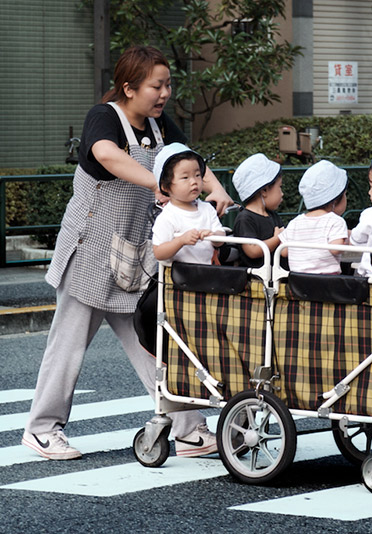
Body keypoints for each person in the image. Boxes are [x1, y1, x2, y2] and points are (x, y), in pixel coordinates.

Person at [22, 45, 232, 461]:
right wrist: (157, 181)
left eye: (168, 84)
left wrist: (216, 188)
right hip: (90, 251)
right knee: (68, 344)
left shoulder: (159, 126)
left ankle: (189, 430)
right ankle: (42, 429)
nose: (164, 93)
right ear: (129, 87)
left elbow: (187, 162)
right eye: (157, 85)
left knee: (156, 342)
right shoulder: (105, 117)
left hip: (137, 255)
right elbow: (107, 155)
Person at [151, 143, 225, 264]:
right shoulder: (168, 216)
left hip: (209, 274)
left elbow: (221, 237)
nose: (193, 182)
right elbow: (159, 252)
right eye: (185, 177)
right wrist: (180, 241)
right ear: (166, 186)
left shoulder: (207, 208)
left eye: (197, 175)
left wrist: (212, 236)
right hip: (180, 278)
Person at [278, 160, 349, 274]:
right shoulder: (336, 221)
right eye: (345, 194)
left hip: (298, 283)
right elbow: (336, 249)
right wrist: (346, 239)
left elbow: (284, 251)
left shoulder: (295, 222)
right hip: (328, 285)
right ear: (335, 199)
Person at [231, 153, 285, 268]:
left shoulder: (272, 215)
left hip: (277, 275)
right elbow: (252, 250)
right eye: (280, 187)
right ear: (264, 190)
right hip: (257, 280)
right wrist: (277, 238)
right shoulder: (245, 218)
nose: (282, 193)